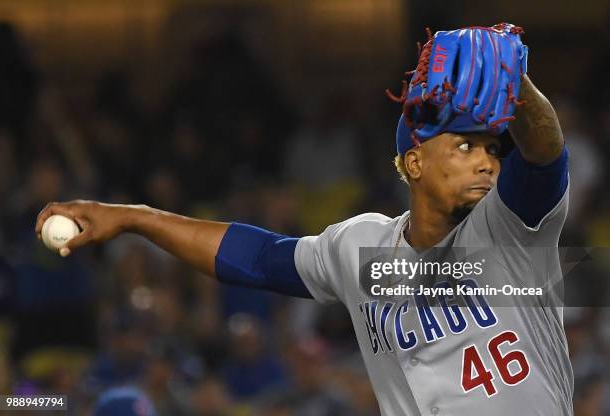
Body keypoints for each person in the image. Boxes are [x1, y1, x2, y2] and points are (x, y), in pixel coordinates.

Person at [36, 24, 572, 415]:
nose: (486, 160)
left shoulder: (510, 230)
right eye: (465, 145)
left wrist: (516, 84)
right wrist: (135, 217)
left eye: (492, 150)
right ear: (414, 162)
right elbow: (256, 257)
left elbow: (545, 154)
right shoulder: (361, 247)